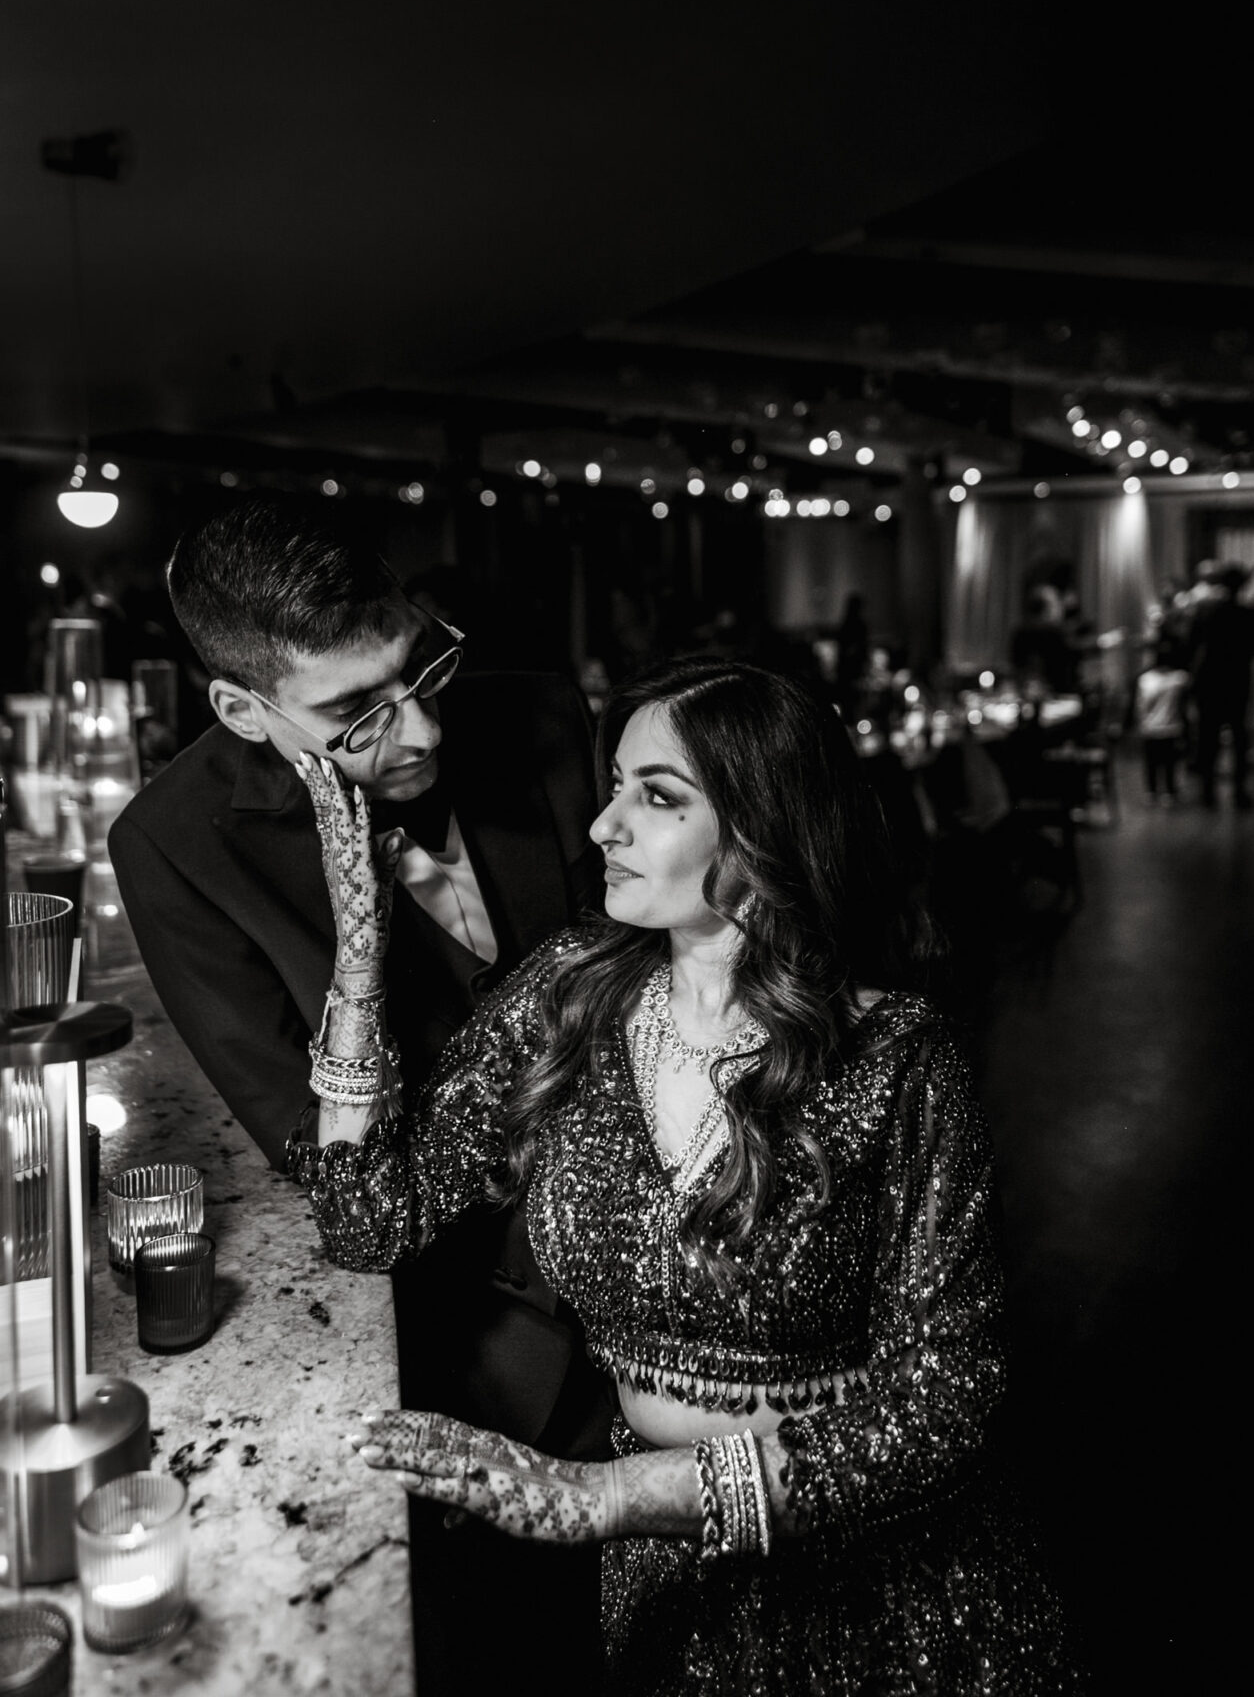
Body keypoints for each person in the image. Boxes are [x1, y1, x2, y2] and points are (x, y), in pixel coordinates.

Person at [290, 656, 1082, 1694]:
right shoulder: (569, 998)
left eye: (656, 797)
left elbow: (946, 1403)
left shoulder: (897, 1056)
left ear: (763, 828)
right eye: (614, 785)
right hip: (670, 1582)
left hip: (882, 1589)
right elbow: (368, 1224)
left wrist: (613, 1498)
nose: (601, 826)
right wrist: (358, 959)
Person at [107, 495, 613, 1692]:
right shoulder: (173, 849)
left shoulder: (545, 710)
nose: (426, 730)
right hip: (468, 1321)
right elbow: (326, 1155)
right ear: (242, 710)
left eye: (418, 664)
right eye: (357, 714)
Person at [1189, 561, 1254, 807]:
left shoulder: (1208, 611)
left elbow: (1192, 643)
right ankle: (1239, 791)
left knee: (1208, 735)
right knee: (1239, 735)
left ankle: (1207, 791)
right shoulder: (1248, 613)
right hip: (1237, 680)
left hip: (1210, 679)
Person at [1133, 640, 1191, 806]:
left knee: (1151, 762)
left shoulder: (1145, 680)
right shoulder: (1177, 679)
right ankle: (1169, 791)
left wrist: (1140, 723)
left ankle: (1151, 791)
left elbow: (1140, 705)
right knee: (1169, 762)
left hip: (1150, 727)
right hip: (1171, 727)